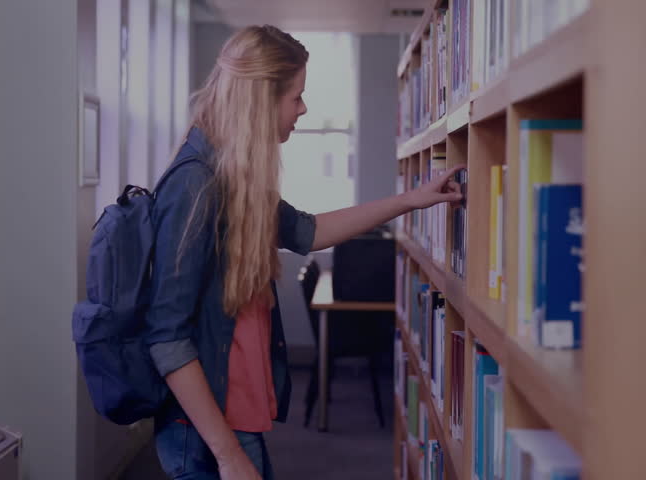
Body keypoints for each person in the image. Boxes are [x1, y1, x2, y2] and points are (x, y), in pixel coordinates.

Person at [146, 25, 463, 480]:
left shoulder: (233, 180)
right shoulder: (197, 186)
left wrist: (410, 200)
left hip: (234, 422)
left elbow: (308, 231)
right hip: (208, 435)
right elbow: (167, 337)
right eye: (296, 97)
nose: (303, 108)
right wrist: (228, 455)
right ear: (261, 100)